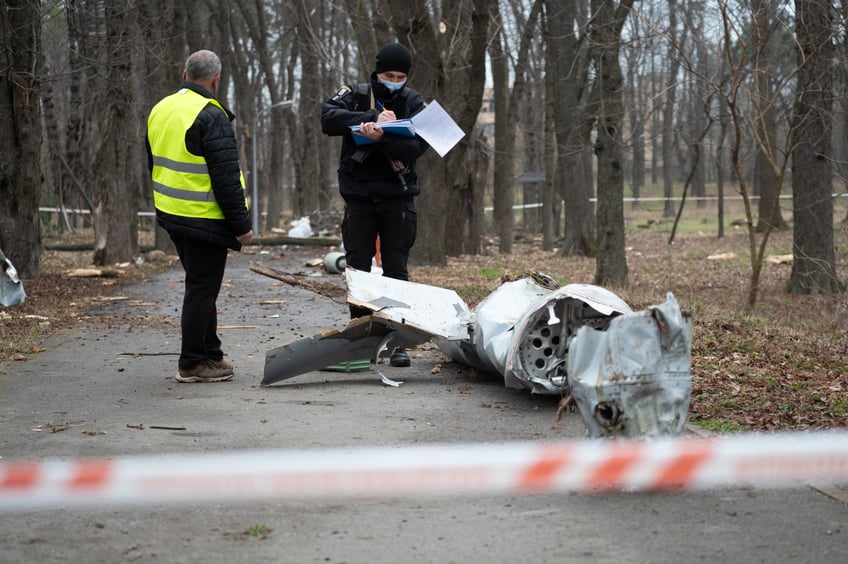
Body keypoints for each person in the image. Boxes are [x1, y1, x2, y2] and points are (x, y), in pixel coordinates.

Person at [146, 50, 253, 383]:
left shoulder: (160, 108)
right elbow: (225, 177)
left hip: (172, 213)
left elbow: (153, 160)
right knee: (201, 289)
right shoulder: (210, 114)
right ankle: (192, 362)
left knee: (202, 287)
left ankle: (210, 353)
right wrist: (241, 225)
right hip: (203, 217)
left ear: (184, 73)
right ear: (216, 80)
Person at [320, 42, 430, 368]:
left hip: (398, 198)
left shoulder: (414, 102)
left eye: (400, 76)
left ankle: (396, 340)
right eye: (388, 74)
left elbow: (417, 147)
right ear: (377, 72)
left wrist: (384, 136)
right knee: (358, 269)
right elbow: (328, 119)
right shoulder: (354, 93)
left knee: (396, 269)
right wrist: (369, 118)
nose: (394, 80)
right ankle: (361, 337)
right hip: (359, 197)